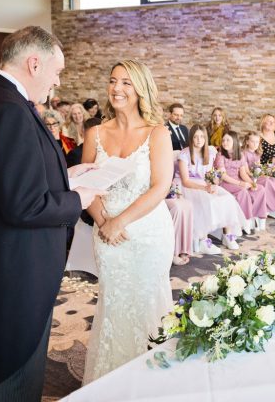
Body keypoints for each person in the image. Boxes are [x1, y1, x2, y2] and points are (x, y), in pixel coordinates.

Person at [0, 25, 104, 401]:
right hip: (14, 269)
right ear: (34, 63)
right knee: (14, 373)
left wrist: (65, 174)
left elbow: (8, 175)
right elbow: (25, 205)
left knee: (3, 366)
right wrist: (77, 200)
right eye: (57, 71)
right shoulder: (8, 110)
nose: (57, 82)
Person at [81, 60, 175, 384]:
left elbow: (161, 186)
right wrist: (103, 220)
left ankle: (153, 383)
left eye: (126, 83)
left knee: (148, 304)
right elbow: (85, 184)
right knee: (114, 304)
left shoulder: (157, 133)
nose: (117, 88)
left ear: (140, 90)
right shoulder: (94, 133)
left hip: (148, 233)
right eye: (112, 81)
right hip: (106, 234)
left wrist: (120, 221)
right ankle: (111, 382)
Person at [177, 124, 246, 252]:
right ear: (191, 138)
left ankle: (227, 235)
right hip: (189, 185)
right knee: (206, 201)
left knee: (228, 198)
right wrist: (205, 189)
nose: (199, 140)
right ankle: (203, 240)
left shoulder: (210, 153)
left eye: (202, 137)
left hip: (204, 183)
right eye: (196, 137)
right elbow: (185, 181)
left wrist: (214, 183)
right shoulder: (184, 154)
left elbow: (210, 175)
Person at [215, 131, 270, 233]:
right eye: (223, 140)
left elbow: (243, 174)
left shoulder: (240, 155)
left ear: (235, 142)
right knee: (242, 191)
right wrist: (241, 184)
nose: (225, 142)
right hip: (225, 182)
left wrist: (252, 183)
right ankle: (245, 220)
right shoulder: (220, 155)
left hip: (237, 180)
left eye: (228, 140)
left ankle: (260, 217)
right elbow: (223, 175)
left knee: (260, 189)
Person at [241, 131, 275, 222]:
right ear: (247, 142)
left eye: (257, 142)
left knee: (273, 180)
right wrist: (258, 173)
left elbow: (258, 166)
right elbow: (247, 172)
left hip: (256, 174)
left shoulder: (257, 154)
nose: (255, 144)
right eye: (252, 141)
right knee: (266, 180)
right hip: (249, 177)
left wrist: (265, 170)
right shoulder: (243, 153)